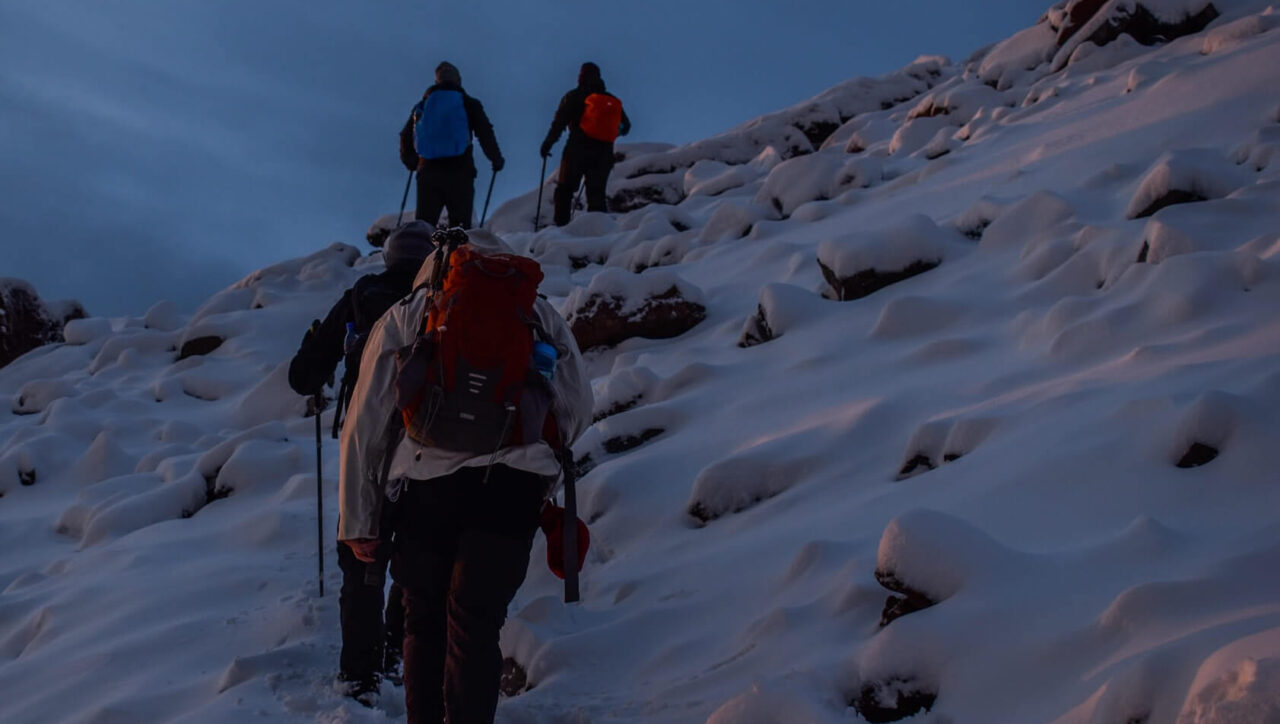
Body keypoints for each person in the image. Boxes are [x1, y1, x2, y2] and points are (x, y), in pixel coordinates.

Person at [338, 228, 593, 724]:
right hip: (511, 493)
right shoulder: (538, 315)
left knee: (423, 623)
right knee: (474, 626)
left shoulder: (411, 314)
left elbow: (366, 422)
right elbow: (577, 408)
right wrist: (534, 469)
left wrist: (360, 521)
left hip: (426, 490)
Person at [287, 221, 437, 705]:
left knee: (360, 556)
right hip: (428, 448)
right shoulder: (441, 300)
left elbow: (304, 373)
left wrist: (318, 376)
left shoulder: (362, 296)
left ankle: (359, 675)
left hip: (366, 445)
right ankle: (398, 653)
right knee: (416, 553)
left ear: (389, 257)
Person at [399, 62, 505, 230]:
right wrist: (496, 160)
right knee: (460, 229)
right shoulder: (469, 103)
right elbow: (485, 133)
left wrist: (411, 162)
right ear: (458, 80)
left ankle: (423, 255)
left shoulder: (423, 105)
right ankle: (458, 255)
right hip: (460, 172)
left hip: (427, 171)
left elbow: (406, 136)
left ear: (437, 81)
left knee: (425, 227)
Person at [540, 62, 631, 227]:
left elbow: (559, 123)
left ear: (580, 77)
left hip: (577, 148)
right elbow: (626, 127)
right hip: (603, 152)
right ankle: (598, 232)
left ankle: (560, 228)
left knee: (565, 190)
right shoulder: (610, 100)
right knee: (596, 194)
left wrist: (548, 144)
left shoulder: (573, 96)